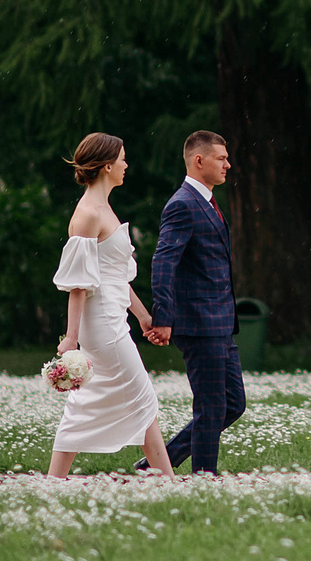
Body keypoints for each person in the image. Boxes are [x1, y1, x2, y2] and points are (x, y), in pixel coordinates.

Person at [46, 133, 174, 479]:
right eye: (122, 158)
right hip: (102, 325)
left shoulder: (105, 209)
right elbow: (79, 283)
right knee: (143, 399)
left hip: (115, 317)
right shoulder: (88, 214)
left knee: (94, 403)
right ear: (106, 166)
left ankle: (53, 481)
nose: (126, 165)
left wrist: (143, 316)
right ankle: (168, 482)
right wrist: (71, 338)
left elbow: (115, 277)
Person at [140, 130, 243, 474]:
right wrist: (163, 317)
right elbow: (163, 262)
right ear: (199, 160)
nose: (228, 164)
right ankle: (204, 480)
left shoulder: (208, 202)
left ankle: (157, 463)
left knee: (233, 404)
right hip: (199, 324)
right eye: (221, 158)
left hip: (221, 323)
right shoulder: (182, 204)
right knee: (211, 408)